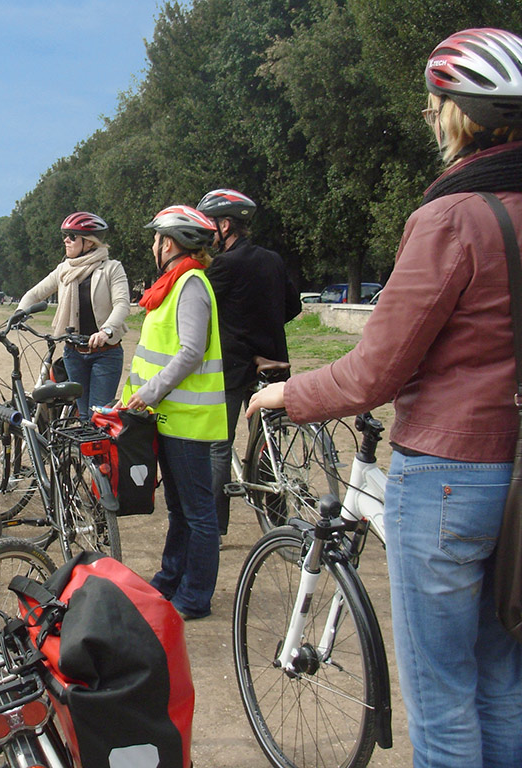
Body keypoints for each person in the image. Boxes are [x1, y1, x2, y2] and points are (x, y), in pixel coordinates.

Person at [248, 28, 522, 768]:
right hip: (517, 470)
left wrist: (286, 395)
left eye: (433, 107)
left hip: (448, 476)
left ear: (457, 115)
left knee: (442, 697)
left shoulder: (452, 217)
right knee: (504, 679)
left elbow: (374, 373)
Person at [119, 205, 226, 619]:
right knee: (179, 509)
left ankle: (195, 596)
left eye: (156, 238)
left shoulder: (191, 284)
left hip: (187, 420)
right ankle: (170, 578)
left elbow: (191, 352)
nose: (152, 245)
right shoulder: (173, 283)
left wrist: (149, 393)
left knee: (198, 514)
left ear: (169, 243)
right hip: (167, 416)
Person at [196, 188, 301, 541]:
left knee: (218, 446)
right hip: (272, 363)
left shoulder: (223, 265)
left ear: (225, 225)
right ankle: (278, 518)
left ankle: (215, 527)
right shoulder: (273, 259)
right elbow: (293, 306)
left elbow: (201, 307)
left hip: (233, 367)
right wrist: (264, 324)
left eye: (210, 224)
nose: (207, 233)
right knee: (268, 444)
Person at [18, 212, 131, 418]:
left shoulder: (112, 268)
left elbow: (122, 305)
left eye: (72, 236)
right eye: (65, 236)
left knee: (97, 417)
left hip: (105, 353)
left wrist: (106, 331)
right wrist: (19, 313)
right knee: (82, 415)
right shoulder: (64, 269)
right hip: (73, 353)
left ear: (89, 242)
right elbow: (35, 294)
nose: (66, 241)